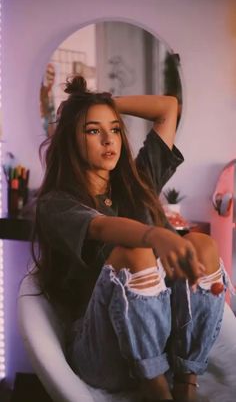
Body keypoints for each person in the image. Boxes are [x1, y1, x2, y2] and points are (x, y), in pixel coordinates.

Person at [32, 75, 226, 402]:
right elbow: (102, 227)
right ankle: (156, 392)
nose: (109, 139)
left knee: (203, 244)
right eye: (93, 130)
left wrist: (103, 105)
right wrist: (155, 236)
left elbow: (168, 108)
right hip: (100, 351)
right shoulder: (57, 204)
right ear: (70, 140)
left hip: (159, 342)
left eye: (115, 129)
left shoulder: (138, 181)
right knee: (134, 253)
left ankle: (186, 382)